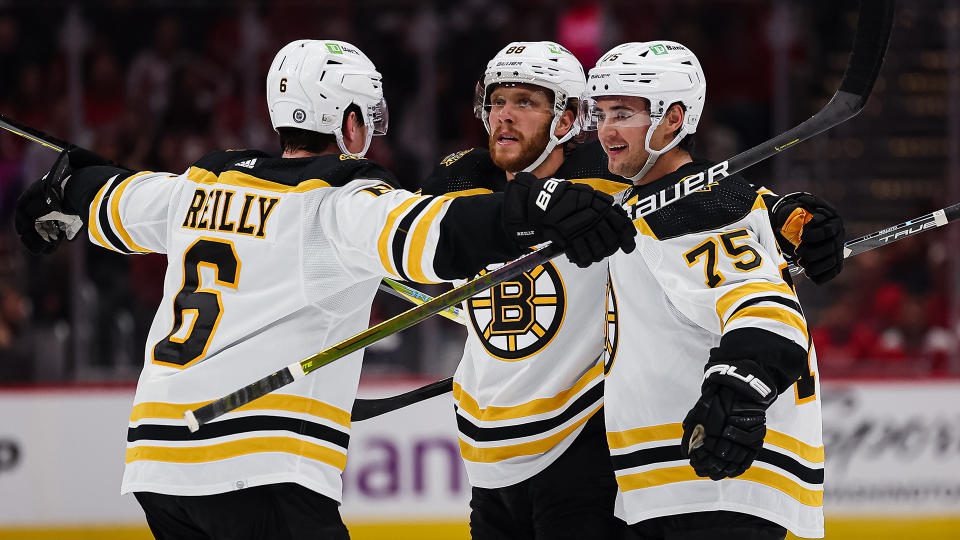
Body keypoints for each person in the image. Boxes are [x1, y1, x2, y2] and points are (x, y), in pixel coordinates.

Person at [12, 40, 636, 540]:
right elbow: (437, 235)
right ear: (348, 120)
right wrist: (540, 207)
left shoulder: (194, 187)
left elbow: (101, 199)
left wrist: (60, 190)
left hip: (158, 461)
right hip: (260, 461)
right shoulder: (337, 204)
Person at [422, 42, 841, 539]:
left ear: (563, 117)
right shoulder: (462, 182)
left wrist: (780, 213)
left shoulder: (622, 184)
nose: (504, 117)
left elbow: (713, 207)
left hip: (613, 448)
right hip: (508, 452)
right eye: (497, 102)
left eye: (525, 102)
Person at [582, 41, 830, 539]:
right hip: (683, 481)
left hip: (711, 477)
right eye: (601, 112)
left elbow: (766, 305)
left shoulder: (685, 206)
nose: (606, 130)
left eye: (624, 113)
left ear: (674, 118)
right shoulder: (693, 198)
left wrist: (737, 391)